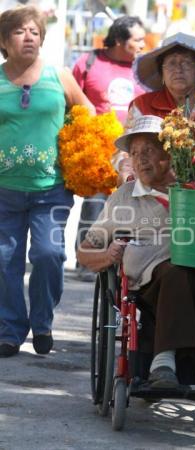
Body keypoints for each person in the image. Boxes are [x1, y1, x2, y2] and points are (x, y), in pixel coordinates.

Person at [77, 115, 195, 391]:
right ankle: (163, 363)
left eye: (149, 151)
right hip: (153, 282)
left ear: (170, 152)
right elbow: (85, 251)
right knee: (177, 271)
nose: (140, 159)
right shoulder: (125, 196)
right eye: (135, 153)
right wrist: (109, 256)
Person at [0, 5, 95, 358]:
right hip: (4, 191)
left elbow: (88, 114)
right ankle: (9, 331)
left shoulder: (59, 76)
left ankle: (42, 322)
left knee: (49, 253)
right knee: (4, 259)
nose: (29, 37)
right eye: (19, 31)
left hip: (51, 188)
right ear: (4, 41)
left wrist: (87, 155)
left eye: (35, 32)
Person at [72, 15, 146, 281]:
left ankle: (125, 256)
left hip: (134, 149)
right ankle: (87, 260)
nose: (142, 44)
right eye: (137, 39)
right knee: (96, 205)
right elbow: (72, 102)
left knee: (128, 205)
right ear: (118, 40)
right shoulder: (89, 62)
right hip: (99, 149)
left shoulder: (143, 69)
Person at [114, 32, 195, 182]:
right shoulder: (142, 105)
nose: (178, 69)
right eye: (171, 63)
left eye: (186, 63)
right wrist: (126, 169)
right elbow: (124, 153)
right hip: (154, 190)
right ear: (162, 73)